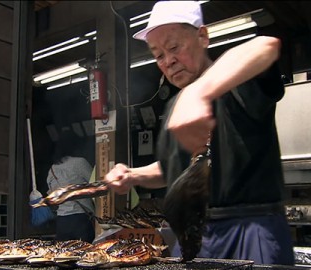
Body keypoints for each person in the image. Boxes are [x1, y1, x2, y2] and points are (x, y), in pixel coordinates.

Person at [104, 0, 295, 265]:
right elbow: (174, 168)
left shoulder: (237, 78)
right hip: (196, 235)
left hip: (252, 230)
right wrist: (133, 175)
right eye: (158, 54)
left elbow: (267, 46)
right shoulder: (174, 106)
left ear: (202, 36)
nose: (168, 61)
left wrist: (199, 91)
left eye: (174, 47)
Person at [46, 132, 95, 243]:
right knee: (84, 253)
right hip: (81, 218)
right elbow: (95, 183)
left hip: (62, 220)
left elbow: (51, 193)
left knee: (65, 255)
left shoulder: (53, 169)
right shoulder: (79, 162)